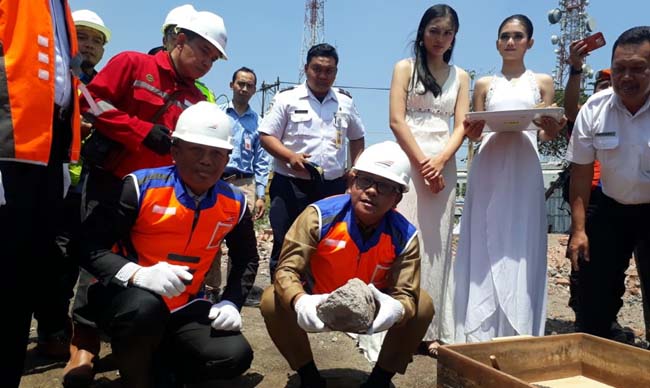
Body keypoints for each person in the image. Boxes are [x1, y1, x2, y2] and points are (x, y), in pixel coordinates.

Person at [64, 10, 228, 385]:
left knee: (142, 270)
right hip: (111, 182)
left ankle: (136, 343)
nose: (206, 63)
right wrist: (139, 131)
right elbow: (90, 101)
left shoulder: (196, 99)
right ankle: (84, 347)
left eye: (213, 59)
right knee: (95, 263)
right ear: (179, 39)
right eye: (203, 51)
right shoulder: (133, 64)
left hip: (152, 198)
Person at [77, 102, 259, 387]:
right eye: (196, 149)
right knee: (143, 310)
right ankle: (138, 378)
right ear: (175, 150)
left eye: (216, 153)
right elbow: (88, 246)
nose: (206, 160)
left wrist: (232, 301)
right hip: (129, 300)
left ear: (227, 159)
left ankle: (162, 365)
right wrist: (138, 274)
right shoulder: (140, 187)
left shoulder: (235, 203)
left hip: (187, 305)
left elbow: (247, 257)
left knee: (234, 356)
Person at [260, 141, 434, 388]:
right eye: (365, 181)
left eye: (384, 186)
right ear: (351, 182)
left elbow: (406, 292)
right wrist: (301, 301)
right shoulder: (319, 216)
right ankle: (309, 378)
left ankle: (380, 380)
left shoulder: (404, 236)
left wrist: (395, 309)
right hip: (319, 298)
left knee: (423, 305)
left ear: (397, 198)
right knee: (271, 299)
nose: (372, 191)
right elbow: (287, 269)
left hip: (372, 306)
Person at [453, 14, 566, 343]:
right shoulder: (486, 84)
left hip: (524, 165)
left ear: (530, 42)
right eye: (505, 36)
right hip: (489, 163)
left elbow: (545, 134)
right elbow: (473, 133)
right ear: (497, 42)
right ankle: (478, 330)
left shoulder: (542, 81)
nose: (511, 42)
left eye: (518, 36)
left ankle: (519, 326)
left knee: (520, 238)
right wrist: (471, 131)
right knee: (484, 235)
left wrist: (552, 126)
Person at [388, 4, 478, 356]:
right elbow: (396, 120)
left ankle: (433, 328)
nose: (440, 39)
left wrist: (440, 161)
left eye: (447, 32)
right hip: (408, 162)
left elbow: (462, 124)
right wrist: (423, 163)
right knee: (405, 238)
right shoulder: (404, 69)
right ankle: (396, 322)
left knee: (438, 244)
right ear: (422, 32)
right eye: (434, 31)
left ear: (455, 36)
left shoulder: (462, 76)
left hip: (444, 164)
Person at [0, 1, 81, 386]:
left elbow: (60, 85)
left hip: (44, 156)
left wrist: (61, 160)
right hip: (7, 152)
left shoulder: (59, 9)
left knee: (24, 280)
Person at [32, 8, 111, 361]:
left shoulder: (103, 84)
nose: (90, 46)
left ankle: (72, 332)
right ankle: (52, 330)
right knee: (53, 260)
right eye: (82, 37)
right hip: (50, 184)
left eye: (97, 41)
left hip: (88, 187)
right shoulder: (50, 76)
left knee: (85, 262)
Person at [566, 26, 650, 341]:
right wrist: (578, 230)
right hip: (612, 208)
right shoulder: (595, 109)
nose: (626, 76)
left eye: (638, 68)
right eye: (619, 69)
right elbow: (581, 174)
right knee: (594, 298)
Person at [259, 43, 366, 279]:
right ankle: (282, 303)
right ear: (306, 68)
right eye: (317, 69)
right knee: (286, 245)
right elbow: (266, 136)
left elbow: (357, 137)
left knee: (328, 247)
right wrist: (290, 156)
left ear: (336, 73)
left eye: (329, 71)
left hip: (331, 189)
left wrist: (355, 170)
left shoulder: (345, 102)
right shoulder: (287, 99)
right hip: (291, 187)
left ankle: (320, 300)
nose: (323, 76)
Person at [203, 67, 271, 301]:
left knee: (241, 239)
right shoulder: (218, 115)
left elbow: (262, 161)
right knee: (212, 236)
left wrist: (261, 194)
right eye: (240, 83)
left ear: (254, 89)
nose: (244, 88)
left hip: (245, 184)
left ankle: (235, 291)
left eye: (249, 85)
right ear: (231, 85)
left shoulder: (259, 123)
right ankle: (211, 289)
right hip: (216, 180)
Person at [152, 4, 217, 102]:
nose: (178, 40)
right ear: (165, 40)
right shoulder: (138, 67)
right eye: (174, 33)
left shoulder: (204, 95)